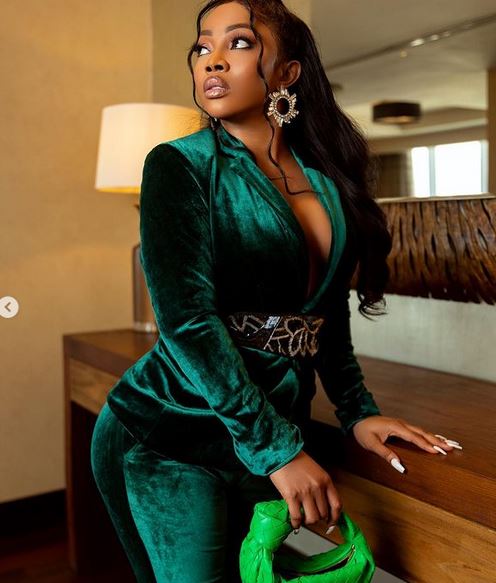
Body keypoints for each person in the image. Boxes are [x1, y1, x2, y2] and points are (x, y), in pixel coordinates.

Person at [90, 1, 461, 581]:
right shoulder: (178, 165)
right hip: (171, 434)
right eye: (202, 46)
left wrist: (358, 413)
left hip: (265, 435)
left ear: (288, 72)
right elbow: (188, 323)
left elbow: (325, 317)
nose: (212, 60)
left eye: (238, 43)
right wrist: (279, 451)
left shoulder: (326, 180)